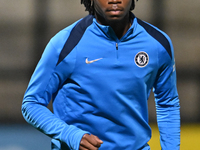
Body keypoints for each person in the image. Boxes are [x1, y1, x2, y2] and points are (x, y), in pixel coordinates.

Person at [21, 0, 180, 149]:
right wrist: (71, 136)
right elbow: (31, 103)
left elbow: (168, 102)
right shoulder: (65, 44)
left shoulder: (158, 44)